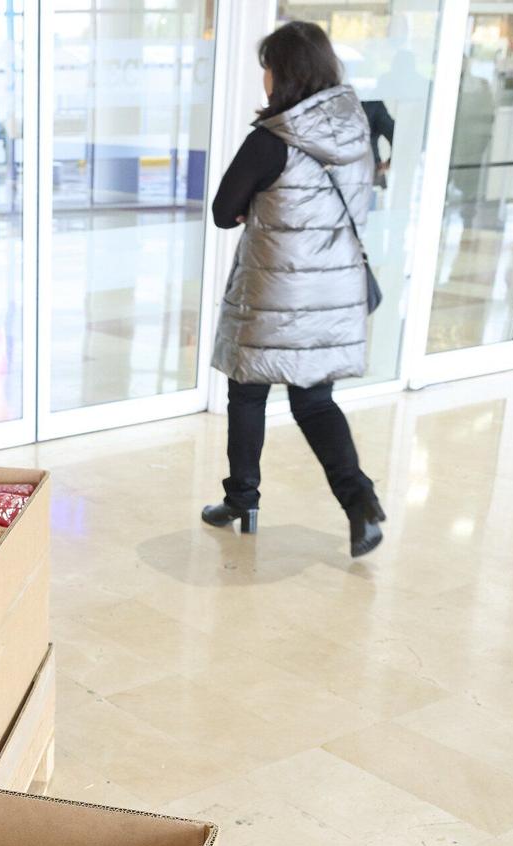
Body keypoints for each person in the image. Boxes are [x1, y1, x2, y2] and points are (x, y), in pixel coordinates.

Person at [205, 21, 385, 557]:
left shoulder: (270, 141)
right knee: (314, 402)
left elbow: (222, 212)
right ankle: (360, 504)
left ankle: (243, 500)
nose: (263, 77)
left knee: (247, 393)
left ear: (282, 74)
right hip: (333, 293)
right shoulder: (356, 129)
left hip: (274, 294)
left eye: (267, 66)